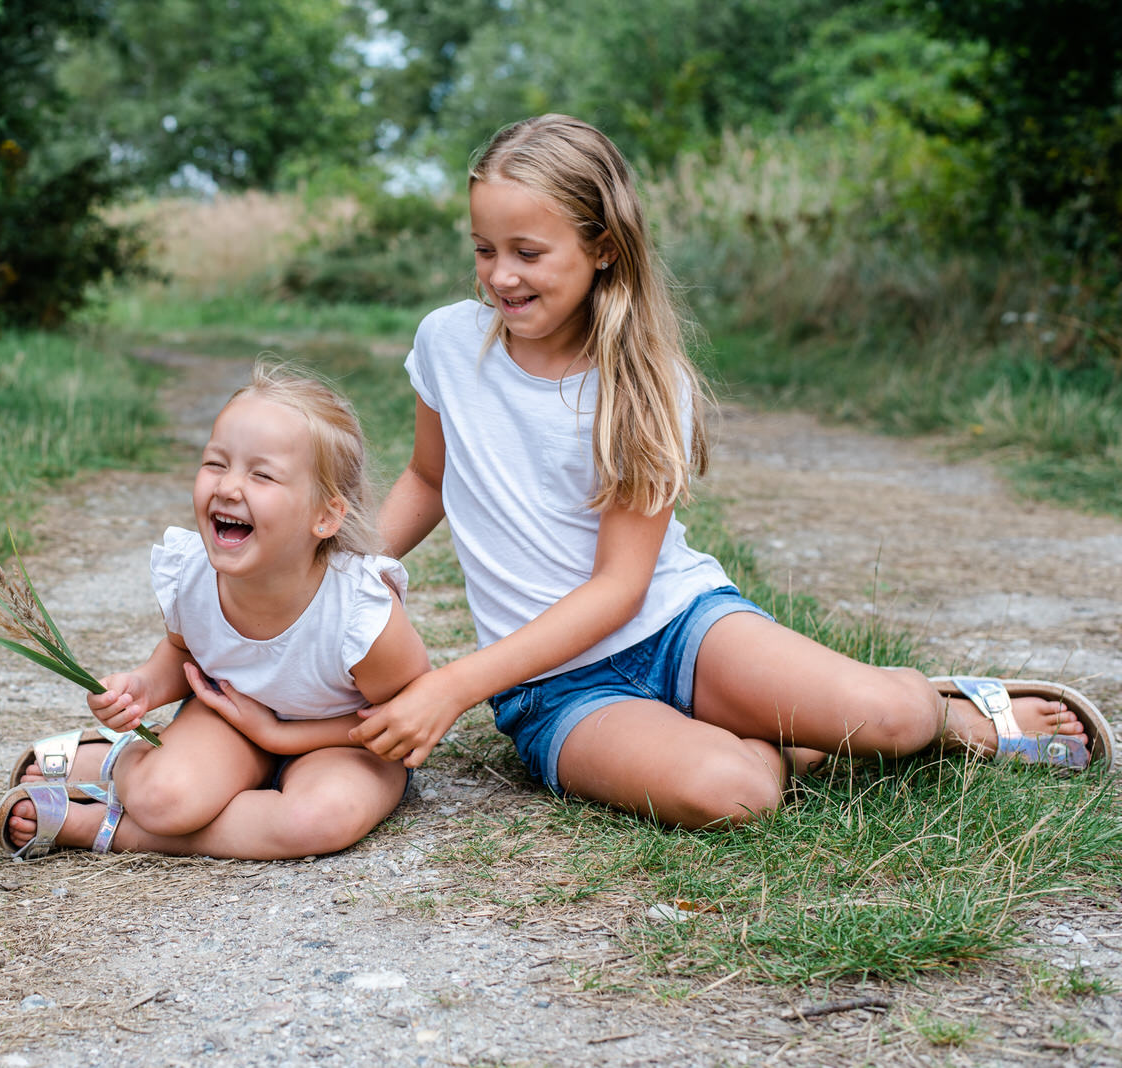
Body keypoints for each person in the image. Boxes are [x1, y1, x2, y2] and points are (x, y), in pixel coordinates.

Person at [346, 113, 1113, 829]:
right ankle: (784, 735)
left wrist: (454, 683)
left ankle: (951, 714)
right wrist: (348, 568)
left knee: (895, 720)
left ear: (604, 246)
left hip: (679, 628)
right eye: (485, 250)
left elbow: (621, 587)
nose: (500, 277)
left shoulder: (644, 381)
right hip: (558, 688)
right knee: (738, 794)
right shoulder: (448, 343)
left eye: (528, 253)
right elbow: (426, 476)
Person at [0, 364, 431, 858]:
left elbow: (407, 715)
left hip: (344, 742)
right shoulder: (195, 575)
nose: (228, 487)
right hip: (229, 719)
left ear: (326, 515)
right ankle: (116, 758)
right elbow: (183, 654)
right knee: (164, 800)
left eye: (262, 474)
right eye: (216, 464)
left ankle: (103, 826)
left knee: (320, 818)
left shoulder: (358, 612)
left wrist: (280, 735)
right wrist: (142, 688)